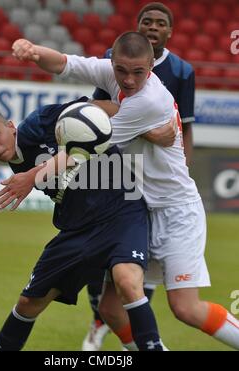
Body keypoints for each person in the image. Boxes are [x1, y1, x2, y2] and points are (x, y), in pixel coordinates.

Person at [11, 32, 239, 350]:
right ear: (113, 63)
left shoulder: (149, 101)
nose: (129, 80)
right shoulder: (113, 73)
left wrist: (30, 178)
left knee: (185, 308)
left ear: (151, 67)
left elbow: (81, 148)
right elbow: (66, 63)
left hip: (175, 211)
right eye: (121, 70)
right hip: (137, 211)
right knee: (111, 309)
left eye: (138, 72)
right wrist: (35, 51)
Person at [0, 98, 171, 351]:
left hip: (119, 210)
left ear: (11, 126)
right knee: (28, 304)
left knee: (127, 282)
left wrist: (148, 129)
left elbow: (96, 109)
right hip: (76, 228)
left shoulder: (39, 123)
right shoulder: (17, 160)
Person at [85, 1, 196, 349]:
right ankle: (99, 325)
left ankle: (135, 339)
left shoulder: (181, 71)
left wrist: (183, 167)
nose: (152, 26)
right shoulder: (114, 58)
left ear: (169, 32)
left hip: (159, 180)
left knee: (134, 270)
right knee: (103, 265)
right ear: (136, 27)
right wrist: (147, 131)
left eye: (160, 23)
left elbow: (182, 128)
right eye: (146, 21)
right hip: (115, 171)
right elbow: (98, 114)